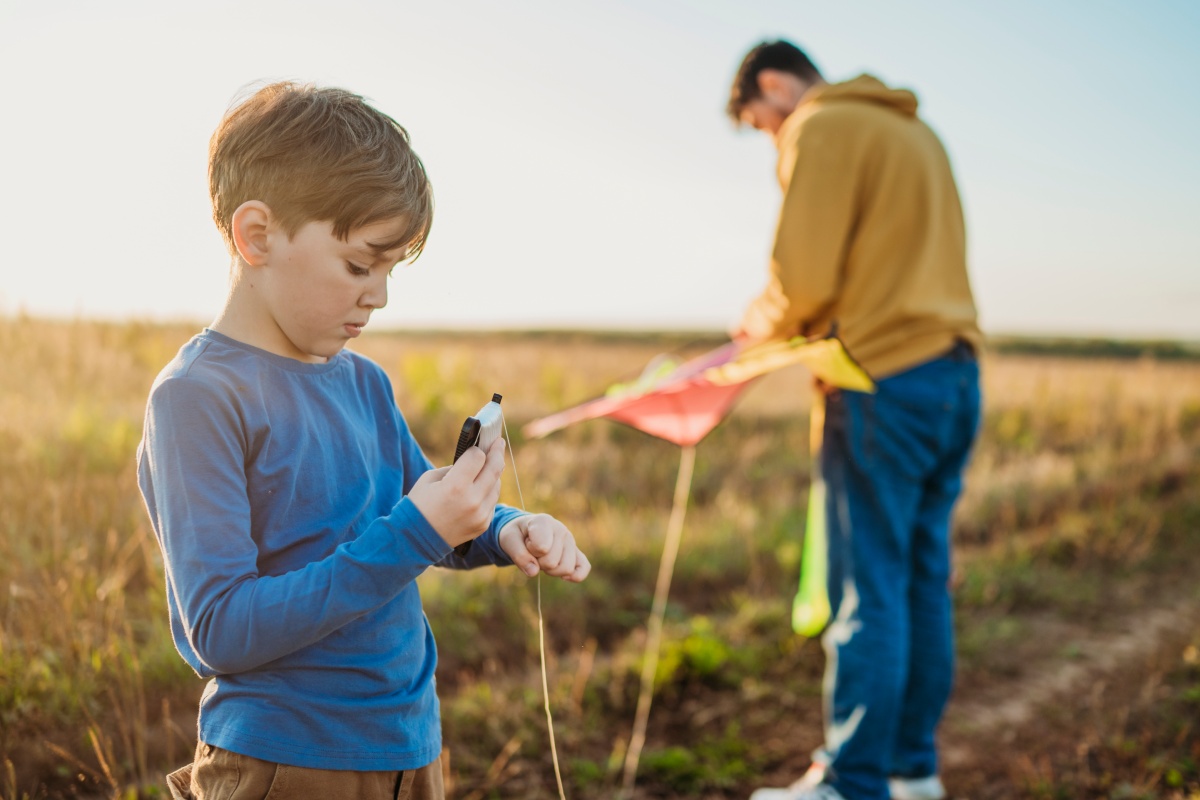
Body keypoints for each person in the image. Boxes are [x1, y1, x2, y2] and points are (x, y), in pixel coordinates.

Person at [136, 81, 591, 800]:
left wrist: (505, 528)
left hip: (410, 742)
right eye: (359, 265)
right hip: (287, 762)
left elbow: (424, 519)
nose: (377, 295)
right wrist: (416, 530)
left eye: (389, 270)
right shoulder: (198, 398)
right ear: (257, 237)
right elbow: (219, 628)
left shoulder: (363, 383)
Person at [725, 41, 983, 800]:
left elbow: (800, 278)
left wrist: (747, 332)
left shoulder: (822, 125)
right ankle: (911, 771)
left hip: (880, 380)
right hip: (955, 375)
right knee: (921, 582)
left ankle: (852, 782)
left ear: (774, 85)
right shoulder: (915, 132)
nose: (771, 138)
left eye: (759, 123)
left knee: (867, 589)